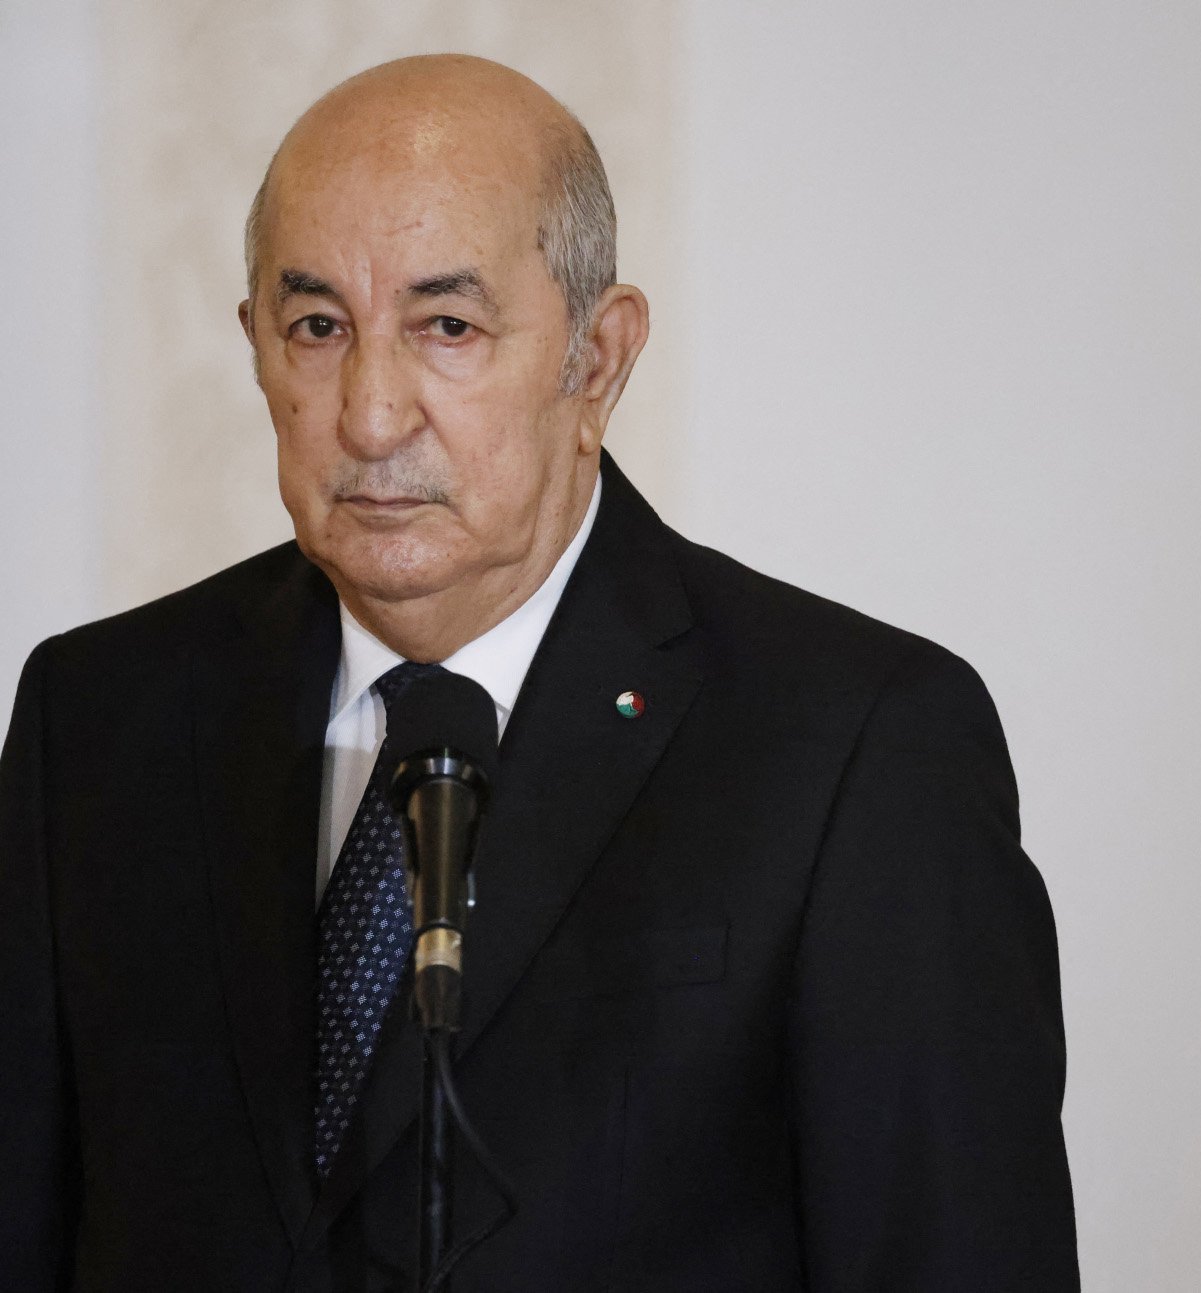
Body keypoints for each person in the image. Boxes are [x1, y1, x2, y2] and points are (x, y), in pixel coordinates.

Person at [0, 54, 1079, 1291]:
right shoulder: (101, 718)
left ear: (598, 361)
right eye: (316, 328)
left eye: (446, 327)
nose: (368, 414)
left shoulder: (854, 748)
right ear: (255, 349)